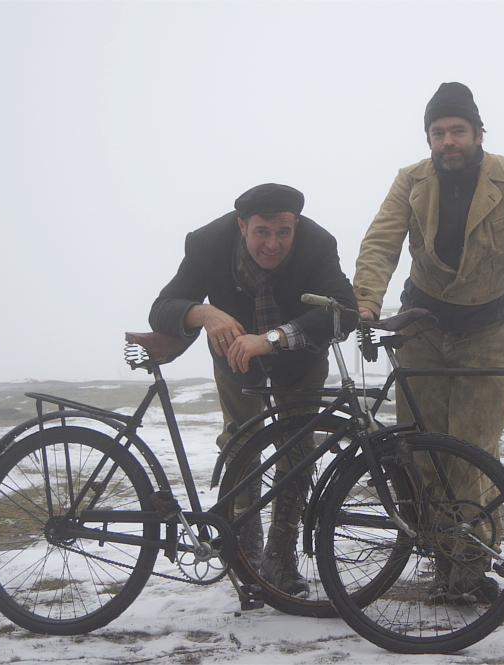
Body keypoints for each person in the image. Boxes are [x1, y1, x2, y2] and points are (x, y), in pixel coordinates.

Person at [353, 82, 504, 603]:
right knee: (423, 455)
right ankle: (439, 556)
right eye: (438, 132)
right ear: (429, 138)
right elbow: (381, 242)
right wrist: (366, 301)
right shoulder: (410, 181)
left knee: (472, 455)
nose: (448, 141)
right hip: (420, 330)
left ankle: (468, 564)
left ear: (478, 134)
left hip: (486, 332)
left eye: (457, 131)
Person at [150, 183, 356, 596]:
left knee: (298, 448)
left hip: (298, 355)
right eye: (262, 231)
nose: (273, 244)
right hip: (235, 358)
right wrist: (203, 311)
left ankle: (281, 552)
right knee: (242, 443)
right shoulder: (208, 243)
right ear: (242, 226)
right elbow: (163, 307)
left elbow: (344, 310)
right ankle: (245, 545)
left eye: (283, 232)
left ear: (296, 225)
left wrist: (276, 337)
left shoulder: (317, 243)